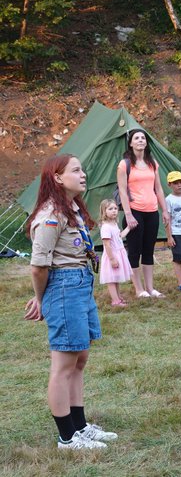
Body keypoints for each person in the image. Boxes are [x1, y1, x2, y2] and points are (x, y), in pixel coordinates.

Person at [24, 154, 118, 449]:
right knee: (63, 364)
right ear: (57, 177)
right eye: (76, 170)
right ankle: (67, 437)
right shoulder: (51, 214)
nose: (83, 174)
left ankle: (80, 426)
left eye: (82, 169)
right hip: (64, 286)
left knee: (79, 359)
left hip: (79, 285)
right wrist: (42, 299)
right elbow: (39, 266)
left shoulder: (72, 209)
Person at [116, 128, 169, 299]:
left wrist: (165, 210)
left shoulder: (152, 163)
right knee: (134, 251)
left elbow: (159, 188)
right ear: (130, 143)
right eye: (137, 138)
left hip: (152, 211)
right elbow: (123, 191)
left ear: (146, 142)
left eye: (143, 138)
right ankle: (139, 289)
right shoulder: (124, 164)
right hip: (135, 211)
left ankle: (150, 288)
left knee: (148, 250)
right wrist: (129, 214)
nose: (140, 140)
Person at [98, 199, 131, 307]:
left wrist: (129, 228)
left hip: (119, 253)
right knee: (111, 279)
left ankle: (118, 297)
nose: (114, 211)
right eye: (110, 209)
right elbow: (107, 244)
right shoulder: (106, 227)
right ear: (104, 211)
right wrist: (112, 259)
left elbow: (119, 236)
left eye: (115, 208)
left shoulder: (114, 224)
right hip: (112, 255)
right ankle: (115, 301)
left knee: (115, 277)